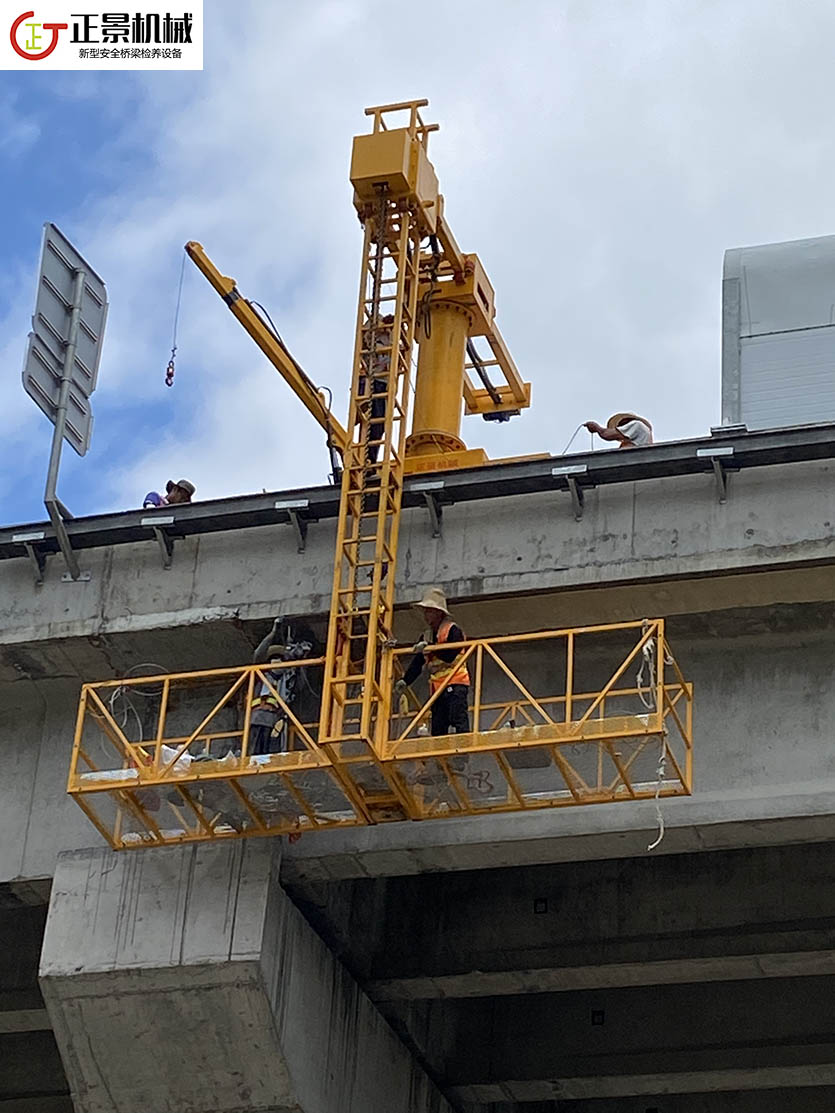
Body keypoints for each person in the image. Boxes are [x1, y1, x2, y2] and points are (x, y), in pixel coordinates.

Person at [395, 587, 471, 736]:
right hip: (437, 688)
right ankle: (440, 759)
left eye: (428, 611)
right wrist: (405, 680)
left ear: (438, 612)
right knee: (438, 726)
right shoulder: (427, 636)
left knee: (458, 719)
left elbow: (449, 655)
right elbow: (418, 663)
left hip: (455, 683)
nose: (425, 615)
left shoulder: (453, 630)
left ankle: (462, 757)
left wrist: (431, 648)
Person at [249, 618, 313, 755]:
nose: (277, 662)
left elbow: (299, 683)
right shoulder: (260, 676)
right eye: (274, 659)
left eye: (280, 659)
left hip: (275, 719)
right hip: (258, 716)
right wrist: (273, 633)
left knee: (272, 750)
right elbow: (258, 654)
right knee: (255, 751)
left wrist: (301, 659)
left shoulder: (285, 680)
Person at [359, 314, 394, 464]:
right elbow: (365, 334)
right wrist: (380, 323)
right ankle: (365, 457)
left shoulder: (391, 338)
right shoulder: (373, 335)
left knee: (377, 425)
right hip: (370, 381)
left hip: (381, 383)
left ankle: (369, 459)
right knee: (369, 418)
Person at [584, 413, 653, 449]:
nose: (621, 427)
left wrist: (596, 427)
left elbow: (606, 434)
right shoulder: (644, 432)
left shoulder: (636, 425)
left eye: (622, 425)